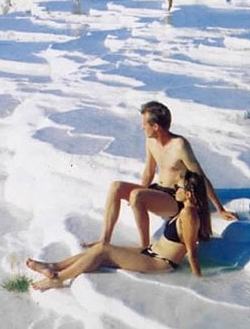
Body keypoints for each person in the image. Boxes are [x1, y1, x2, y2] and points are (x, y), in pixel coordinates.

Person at [27, 170, 211, 291]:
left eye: (177, 187)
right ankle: (54, 266)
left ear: (188, 194)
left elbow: (191, 252)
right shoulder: (185, 210)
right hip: (151, 252)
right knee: (101, 251)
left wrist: (198, 282)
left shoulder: (189, 215)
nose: (174, 188)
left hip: (160, 262)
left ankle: (58, 278)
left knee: (103, 250)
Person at [90, 101, 237, 249]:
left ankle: (144, 248)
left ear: (156, 127)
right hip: (159, 190)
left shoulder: (180, 145)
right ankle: (104, 240)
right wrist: (142, 190)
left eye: (144, 124)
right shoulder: (150, 141)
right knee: (116, 186)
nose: (142, 127)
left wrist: (220, 209)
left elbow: (200, 177)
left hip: (176, 198)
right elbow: (149, 171)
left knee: (137, 196)